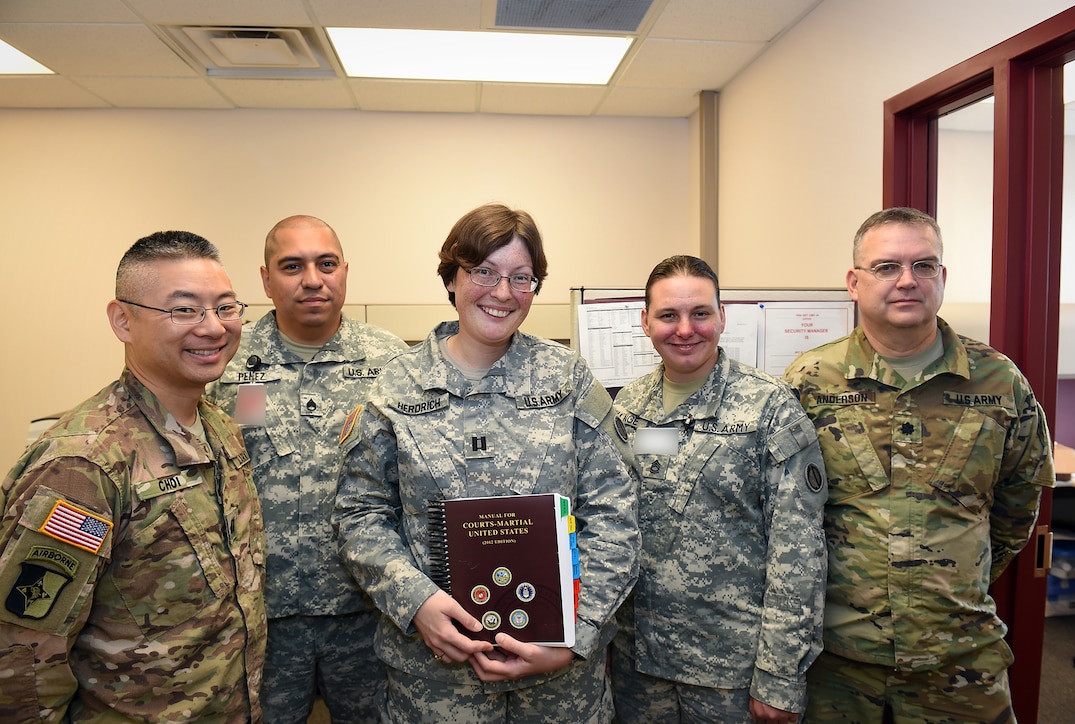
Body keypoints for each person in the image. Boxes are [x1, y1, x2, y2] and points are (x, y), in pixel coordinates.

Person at [333, 202, 640, 723]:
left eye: (522, 278)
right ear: (451, 277)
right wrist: (417, 604)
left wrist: (575, 635)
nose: (502, 293)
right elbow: (360, 515)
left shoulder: (567, 380)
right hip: (435, 682)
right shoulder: (394, 386)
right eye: (483, 272)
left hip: (560, 686)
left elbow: (615, 513)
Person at [782, 207, 1056, 723]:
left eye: (924, 265)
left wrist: (947, 585)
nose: (907, 280)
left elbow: (1018, 510)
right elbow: (788, 515)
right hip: (839, 663)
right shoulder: (810, 381)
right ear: (854, 282)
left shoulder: (999, 382)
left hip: (958, 661)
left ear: (942, 278)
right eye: (886, 267)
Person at [0, 231, 265, 722]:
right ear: (123, 320)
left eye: (226, 308)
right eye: (183, 310)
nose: (212, 328)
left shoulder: (222, 430)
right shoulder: (83, 464)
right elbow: (23, 653)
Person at [608, 255, 828, 724]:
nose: (685, 329)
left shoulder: (770, 408)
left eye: (700, 313)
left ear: (722, 317)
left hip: (734, 672)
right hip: (639, 666)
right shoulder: (628, 407)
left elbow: (799, 551)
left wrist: (779, 675)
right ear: (646, 322)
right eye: (668, 315)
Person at [206, 215, 407, 722]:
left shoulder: (393, 362)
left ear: (344, 272)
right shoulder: (225, 360)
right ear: (266, 279)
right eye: (292, 266)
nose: (312, 279)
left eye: (326, 264)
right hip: (262, 614)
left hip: (368, 609)